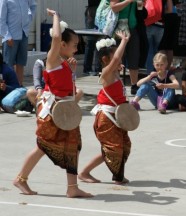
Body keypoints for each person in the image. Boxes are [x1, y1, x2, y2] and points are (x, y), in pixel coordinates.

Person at [13, 9, 92, 198]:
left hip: (65, 111)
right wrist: (56, 16)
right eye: (74, 45)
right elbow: (56, 37)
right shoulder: (52, 58)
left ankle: (72, 188)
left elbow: (66, 87)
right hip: (52, 111)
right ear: (62, 44)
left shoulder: (63, 62)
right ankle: (20, 179)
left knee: (73, 145)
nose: (76, 48)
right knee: (43, 146)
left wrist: (71, 71)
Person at [78, 33, 132, 184]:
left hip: (116, 116)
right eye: (115, 54)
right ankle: (85, 172)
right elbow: (115, 60)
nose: (118, 57)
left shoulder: (114, 71)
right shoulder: (106, 73)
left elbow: (115, 61)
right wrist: (125, 41)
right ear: (105, 59)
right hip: (106, 117)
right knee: (113, 148)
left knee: (123, 146)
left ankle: (116, 175)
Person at [110, 0, 145, 95]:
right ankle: (115, 84)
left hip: (132, 28)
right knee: (117, 58)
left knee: (134, 56)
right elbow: (113, 7)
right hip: (119, 29)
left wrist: (141, 3)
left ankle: (134, 85)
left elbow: (140, 9)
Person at [0, 0, 37, 86]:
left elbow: (33, 5)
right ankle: (9, 87)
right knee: (9, 64)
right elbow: (1, 19)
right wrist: (7, 35)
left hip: (24, 33)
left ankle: (19, 86)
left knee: (21, 62)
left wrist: (29, 18)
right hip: (11, 36)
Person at [159, 0, 180, 68]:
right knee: (168, 47)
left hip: (168, 19)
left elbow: (170, 9)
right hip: (172, 18)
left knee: (163, 46)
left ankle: (163, 69)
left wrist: (159, 12)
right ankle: (166, 70)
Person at [83, 0, 102, 76]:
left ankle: (98, 68)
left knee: (100, 41)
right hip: (93, 10)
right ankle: (87, 69)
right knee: (91, 42)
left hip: (101, 10)